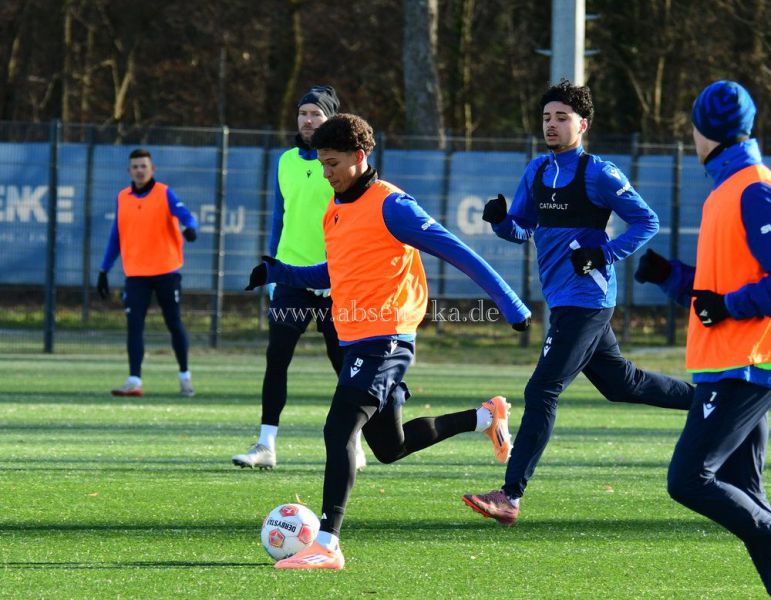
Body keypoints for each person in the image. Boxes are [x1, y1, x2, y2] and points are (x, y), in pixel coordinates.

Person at [244, 113, 532, 569]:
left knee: (338, 429)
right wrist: (279, 272)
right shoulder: (334, 209)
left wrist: (511, 304)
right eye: (321, 164)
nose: (326, 173)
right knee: (389, 447)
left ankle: (327, 544)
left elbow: (457, 250)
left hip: (388, 337)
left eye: (333, 163)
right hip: (357, 335)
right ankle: (485, 417)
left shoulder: (392, 205)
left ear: (360, 157)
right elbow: (335, 273)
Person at [462, 80, 694, 526]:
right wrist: (499, 221)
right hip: (563, 299)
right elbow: (523, 229)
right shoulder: (536, 171)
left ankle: (510, 496)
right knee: (622, 383)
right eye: (547, 117)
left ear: (582, 125)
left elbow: (647, 221)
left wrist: (603, 252)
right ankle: (712, 401)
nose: (552, 124)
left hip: (587, 300)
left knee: (541, 390)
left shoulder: (598, 173)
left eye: (561, 117)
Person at [635, 80, 771, 593]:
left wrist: (730, 305)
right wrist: (668, 274)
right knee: (744, 493)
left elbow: (738, 296)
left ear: (704, 130)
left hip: (745, 365)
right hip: (730, 362)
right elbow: (717, 292)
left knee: (689, 480)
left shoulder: (752, 186)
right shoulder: (728, 188)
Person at [232, 85, 367, 471]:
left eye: (316, 115)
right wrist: (274, 269)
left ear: (331, 121)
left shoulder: (343, 165)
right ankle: (265, 444)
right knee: (277, 358)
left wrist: (347, 271)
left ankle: (354, 441)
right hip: (291, 278)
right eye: (303, 113)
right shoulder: (285, 161)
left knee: (342, 362)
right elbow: (280, 217)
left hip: (335, 280)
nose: (308, 120)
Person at [97, 148, 199, 397]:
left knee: (173, 323)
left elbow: (187, 217)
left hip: (166, 271)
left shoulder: (164, 193)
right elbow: (116, 236)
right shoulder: (123, 197)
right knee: (134, 326)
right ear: (129, 171)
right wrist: (104, 270)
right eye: (135, 166)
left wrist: (191, 229)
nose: (139, 170)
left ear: (152, 169)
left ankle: (185, 377)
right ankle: (134, 380)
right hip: (136, 275)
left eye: (144, 166)